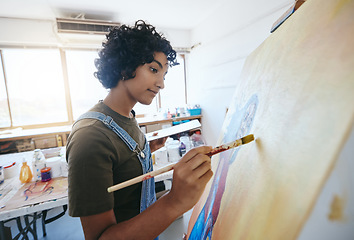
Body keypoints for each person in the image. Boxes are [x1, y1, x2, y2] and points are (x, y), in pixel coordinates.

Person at [66, 20, 213, 240]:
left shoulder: (126, 117)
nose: (161, 84)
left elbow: (120, 172)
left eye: (163, 75)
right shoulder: (90, 137)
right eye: (154, 70)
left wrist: (146, 152)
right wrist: (175, 202)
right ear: (125, 67)